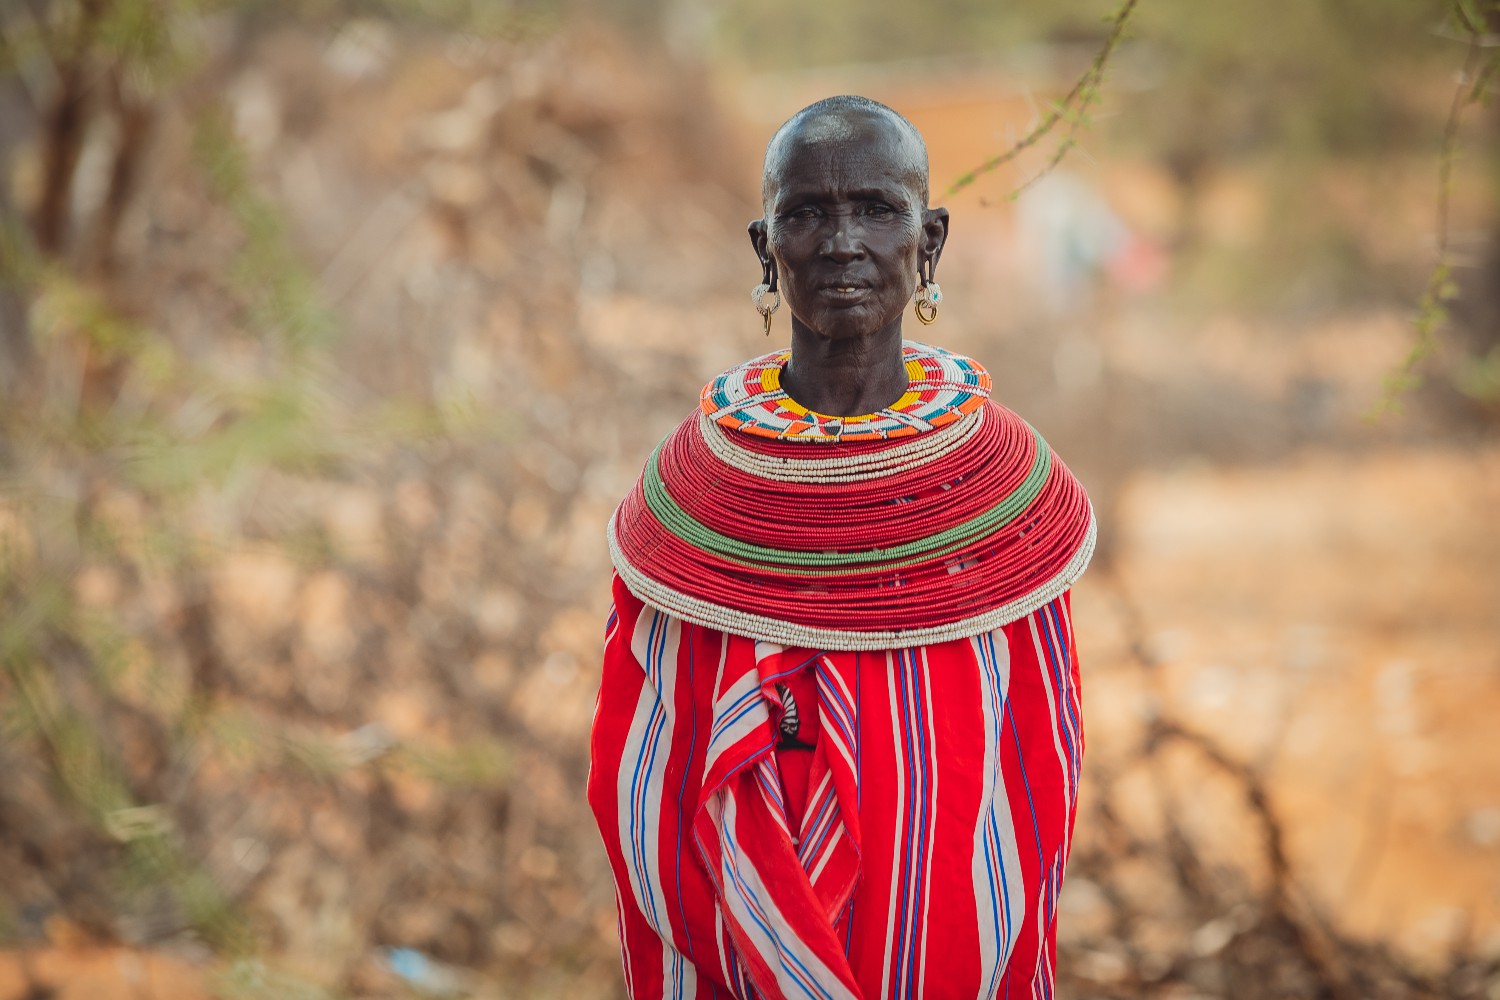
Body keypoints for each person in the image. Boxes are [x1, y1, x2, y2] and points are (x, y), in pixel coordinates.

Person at [588, 95, 1095, 1000]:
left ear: (930, 241)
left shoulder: (996, 498)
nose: (842, 242)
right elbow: (651, 773)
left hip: (943, 932)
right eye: (806, 214)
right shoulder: (698, 500)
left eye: (876, 209)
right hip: (735, 949)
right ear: (765, 248)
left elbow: (1031, 767)